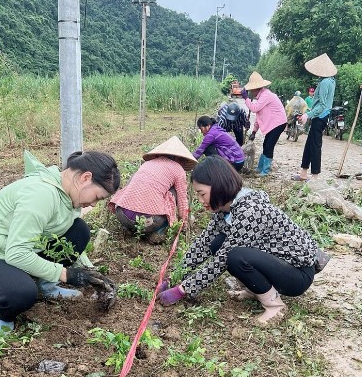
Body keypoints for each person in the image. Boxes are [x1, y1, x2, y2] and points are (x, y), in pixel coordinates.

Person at [0, 150, 120, 333]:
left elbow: (60, 238)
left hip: (20, 252)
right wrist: (66, 274)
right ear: (85, 178)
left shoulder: (67, 195)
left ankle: (46, 286)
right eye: (97, 197)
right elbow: (17, 253)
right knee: (21, 293)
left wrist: (89, 272)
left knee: (79, 231)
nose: (93, 204)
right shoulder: (41, 195)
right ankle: (0, 316)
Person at [156, 156, 321, 325]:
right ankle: (255, 290)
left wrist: (182, 290)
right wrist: (174, 276)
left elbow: (221, 261)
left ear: (218, 186)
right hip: (276, 264)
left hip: (297, 274)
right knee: (216, 242)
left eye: (202, 194)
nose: (200, 200)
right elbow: (204, 243)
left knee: (234, 256)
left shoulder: (249, 211)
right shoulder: (224, 209)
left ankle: (275, 306)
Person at [109, 136, 195, 244]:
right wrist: (184, 222)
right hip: (149, 222)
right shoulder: (178, 169)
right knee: (174, 191)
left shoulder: (147, 164)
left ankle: (129, 228)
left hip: (121, 214)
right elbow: (182, 200)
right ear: (180, 158)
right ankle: (158, 232)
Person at [293, 54, 337, 182]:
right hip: (320, 116)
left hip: (320, 117)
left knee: (315, 145)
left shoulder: (324, 83)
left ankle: (315, 176)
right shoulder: (330, 80)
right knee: (309, 144)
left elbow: (323, 105)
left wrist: (308, 114)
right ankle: (304, 172)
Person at [240, 71, 287, 177]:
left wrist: (246, 98)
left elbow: (254, 108)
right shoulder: (261, 97)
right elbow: (258, 114)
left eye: (252, 90)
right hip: (273, 124)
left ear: (257, 88)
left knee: (269, 146)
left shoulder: (266, 95)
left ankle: (265, 171)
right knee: (265, 144)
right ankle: (260, 167)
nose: (251, 92)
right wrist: (254, 131)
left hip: (278, 123)